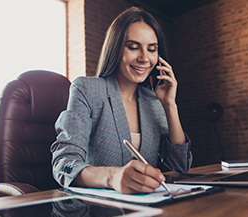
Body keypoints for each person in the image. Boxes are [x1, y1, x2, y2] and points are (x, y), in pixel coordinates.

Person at [51, 7, 192, 195]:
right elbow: (64, 164)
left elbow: (181, 165)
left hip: (146, 208)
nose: (144, 58)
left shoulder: (154, 102)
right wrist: (113, 177)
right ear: (116, 48)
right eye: (133, 47)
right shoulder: (87, 90)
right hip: (94, 209)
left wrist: (169, 105)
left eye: (152, 49)